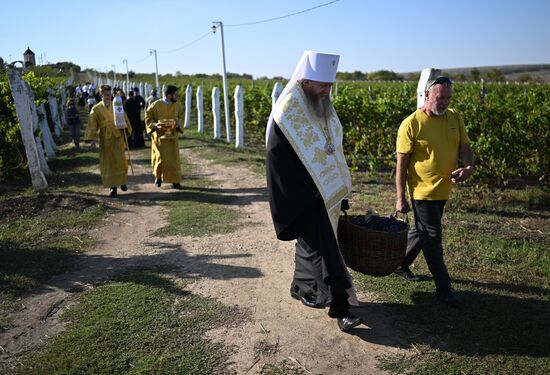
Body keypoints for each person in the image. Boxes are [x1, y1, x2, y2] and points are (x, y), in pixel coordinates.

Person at [265, 50, 361, 332]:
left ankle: (300, 286)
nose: (327, 90)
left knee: (310, 244)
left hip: (325, 190)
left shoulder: (322, 104)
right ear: (306, 81)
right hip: (303, 193)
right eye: (322, 85)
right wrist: (309, 191)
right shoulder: (288, 112)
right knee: (326, 246)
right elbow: (278, 157)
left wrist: (337, 186)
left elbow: (332, 147)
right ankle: (341, 307)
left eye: (330, 85)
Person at [394, 76, 474, 307]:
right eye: (440, 98)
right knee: (432, 238)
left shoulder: (455, 117)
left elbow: (465, 147)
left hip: (444, 189)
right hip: (422, 192)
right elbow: (401, 165)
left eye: (448, 98)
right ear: (427, 96)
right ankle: (444, 289)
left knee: (422, 232)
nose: (444, 102)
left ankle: (399, 264)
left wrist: (468, 167)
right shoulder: (411, 123)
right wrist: (400, 198)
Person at [84, 85, 132, 197]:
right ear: (101, 95)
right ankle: (113, 188)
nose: (108, 97)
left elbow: (125, 118)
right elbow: (92, 125)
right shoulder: (96, 109)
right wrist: (92, 139)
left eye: (109, 95)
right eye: (106, 95)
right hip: (106, 140)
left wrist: (125, 128)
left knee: (120, 161)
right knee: (109, 163)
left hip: (118, 137)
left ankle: (122, 181)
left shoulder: (117, 105)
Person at [145, 85, 184, 189]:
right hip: (159, 137)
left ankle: (175, 181)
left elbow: (181, 117)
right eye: (175, 94)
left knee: (174, 159)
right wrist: (154, 125)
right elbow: (148, 118)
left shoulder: (178, 106)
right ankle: (158, 178)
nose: (177, 96)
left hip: (172, 138)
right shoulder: (155, 105)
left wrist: (178, 124)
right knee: (160, 158)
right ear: (168, 95)